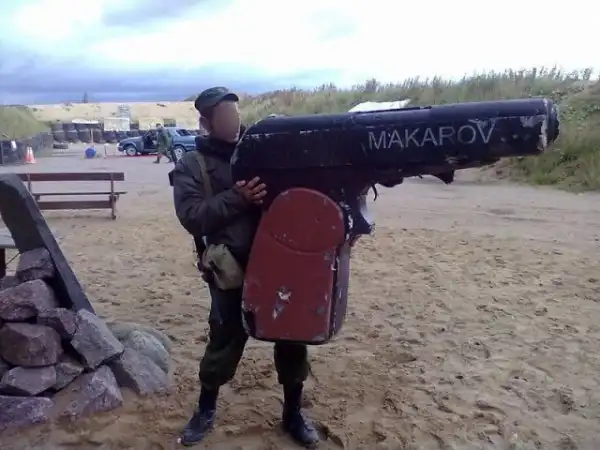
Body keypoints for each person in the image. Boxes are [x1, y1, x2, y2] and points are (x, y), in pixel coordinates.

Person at [171, 86, 319, 448]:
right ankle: (205, 410)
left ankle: (293, 413)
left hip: (282, 263)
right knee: (224, 338)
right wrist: (238, 197)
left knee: (292, 337)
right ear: (206, 123)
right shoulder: (193, 164)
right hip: (231, 268)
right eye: (224, 116)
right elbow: (192, 216)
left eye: (235, 114)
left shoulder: (264, 151)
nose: (233, 121)